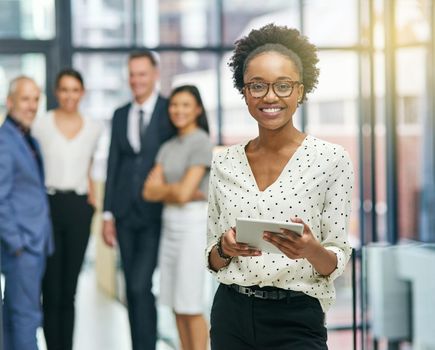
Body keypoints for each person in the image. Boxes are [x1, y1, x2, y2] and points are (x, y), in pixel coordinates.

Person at [206, 24, 354, 349]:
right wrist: (224, 249)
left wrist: (311, 250)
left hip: (297, 317)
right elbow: (212, 258)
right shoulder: (224, 163)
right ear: (244, 92)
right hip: (231, 314)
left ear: (300, 91)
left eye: (283, 86)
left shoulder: (331, 160)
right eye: (257, 85)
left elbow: (336, 258)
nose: (270, 96)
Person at [102, 50, 176, 350]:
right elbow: (113, 163)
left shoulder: (169, 110)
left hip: (156, 214)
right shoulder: (120, 114)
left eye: (142, 74)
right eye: (132, 74)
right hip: (124, 213)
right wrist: (108, 214)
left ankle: (148, 344)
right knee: (132, 289)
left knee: (139, 284)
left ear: (155, 75)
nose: (136, 80)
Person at [31, 68, 102, 350]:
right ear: (56, 92)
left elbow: (89, 168)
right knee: (51, 289)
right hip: (47, 207)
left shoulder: (94, 127)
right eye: (64, 90)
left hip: (78, 208)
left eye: (75, 90)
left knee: (69, 291)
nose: (69, 96)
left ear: (82, 93)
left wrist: (94, 202)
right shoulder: (41, 124)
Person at [143, 85, 212, 350]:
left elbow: (182, 194)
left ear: (197, 109)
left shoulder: (202, 141)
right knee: (174, 303)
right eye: (174, 105)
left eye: (185, 105)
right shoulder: (167, 147)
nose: (178, 110)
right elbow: (148, 192)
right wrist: (178, 191)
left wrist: (170, 191)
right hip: (169, 226)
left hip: (192, 228)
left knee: (190, 304)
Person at [0, 76, 54, 350]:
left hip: (31, 242)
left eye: (36, 99)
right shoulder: (5, 141)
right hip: (22, 246)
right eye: (25, 99)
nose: (32, 105)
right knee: (26, 318)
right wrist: (17, 244)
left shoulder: (25, 137)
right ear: (10, 102)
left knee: (12, 317)